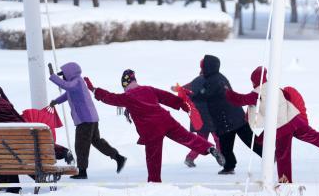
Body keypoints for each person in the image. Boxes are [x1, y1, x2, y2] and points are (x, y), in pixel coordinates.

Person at [87, 69, 226, 183]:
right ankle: (209, 148)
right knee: (187, 137)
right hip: (166, 120)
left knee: (153, 157)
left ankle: (154, 183)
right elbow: (166, 97)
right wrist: (182, 104)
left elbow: (110, 98)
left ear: (125, 84)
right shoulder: (148, 89)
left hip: (151, 129)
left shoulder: (127, 97)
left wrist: (94, 89)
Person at [226, 66, 319, 183]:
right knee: (316, 137)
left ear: (254, 81)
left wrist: (226, 92)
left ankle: (285, 185)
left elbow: (239, 100)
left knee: (283, 156)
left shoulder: (257, 93)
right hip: (295, 120)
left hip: (282, 128)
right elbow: (287, 96)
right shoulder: (275, 88)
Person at [49, 61, 125, 180]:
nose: (63, 77)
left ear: (70, 73)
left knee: (81, 145)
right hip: (91, 118)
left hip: (85, 120)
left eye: (63, 75)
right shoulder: (75, 84)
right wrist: (56, 101)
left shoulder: (77, 81)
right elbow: (67, 94)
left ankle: (82, 172)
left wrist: (53, 76)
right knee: (97, 142)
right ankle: (118, 157)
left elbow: (67, 87)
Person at [190, 55, 259, 174]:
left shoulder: (213, 80)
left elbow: (204, 94)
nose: (202, 69)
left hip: (228, 118)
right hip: (232, 116)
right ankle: (229, 166)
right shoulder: (216, 77)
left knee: (245, 141)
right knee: (228, 144)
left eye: (203, 67)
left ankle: (270, 156)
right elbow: (205, 93)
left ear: (208, 67)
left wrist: (192, 96)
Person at [174, 71, 220, 169]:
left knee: (202, 140)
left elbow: (182, 90)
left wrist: (176, 89)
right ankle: (222, 157)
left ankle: (190, 158)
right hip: (211, 116)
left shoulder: (195, 82)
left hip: (198, 117)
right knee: (218, 138)